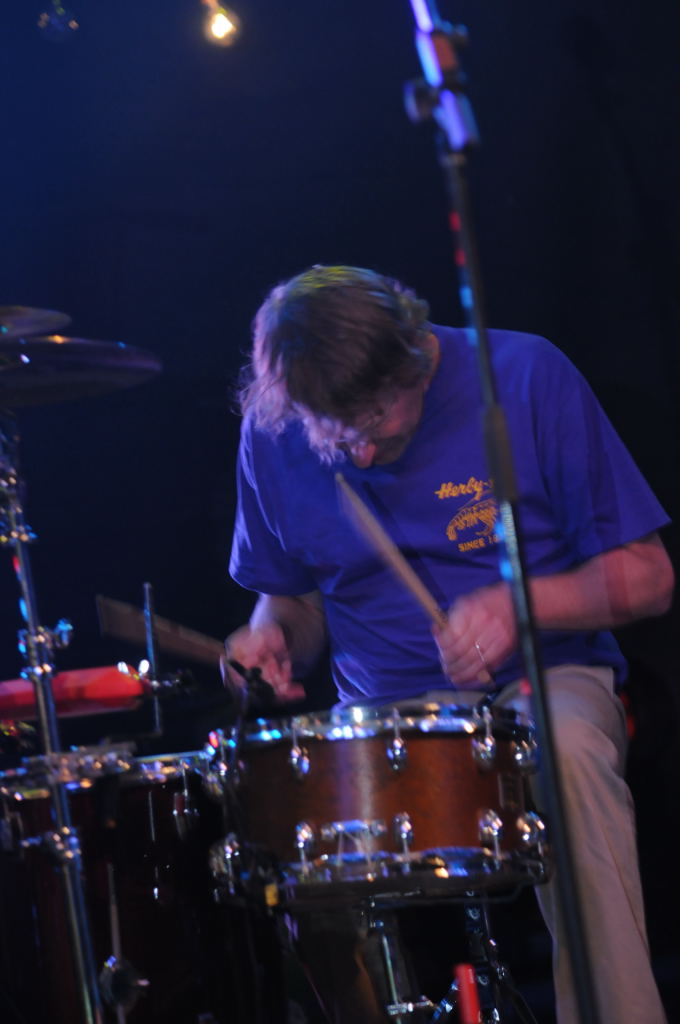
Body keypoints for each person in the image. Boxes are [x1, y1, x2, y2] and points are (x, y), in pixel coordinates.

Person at [225, 264, 674, 1023]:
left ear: (417, 358)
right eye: (334, 434)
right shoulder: (274, 433)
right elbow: (293, 596)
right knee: (287, 826)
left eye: (373, 420)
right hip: (380, 717)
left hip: (543, 680)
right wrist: (272, 637)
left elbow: (650, 577)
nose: (360, 455)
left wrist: (520, 607)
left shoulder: (523, 376)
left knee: (566, 759)